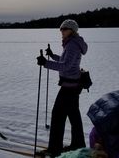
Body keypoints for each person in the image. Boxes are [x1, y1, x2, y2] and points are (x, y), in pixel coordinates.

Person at [37, 19, 88, 157]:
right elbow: (66, 61)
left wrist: (45, 63)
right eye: (61, 29)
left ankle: (54, 149)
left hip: (69, 87)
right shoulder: (72, 43)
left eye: (65, 29)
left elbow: (65, 66)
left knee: (58, 115)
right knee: (73, 115)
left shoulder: (72, 45)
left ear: (72, 30)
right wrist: (52, 55)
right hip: (73, 85)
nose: (62, 31)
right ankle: (78, 144)